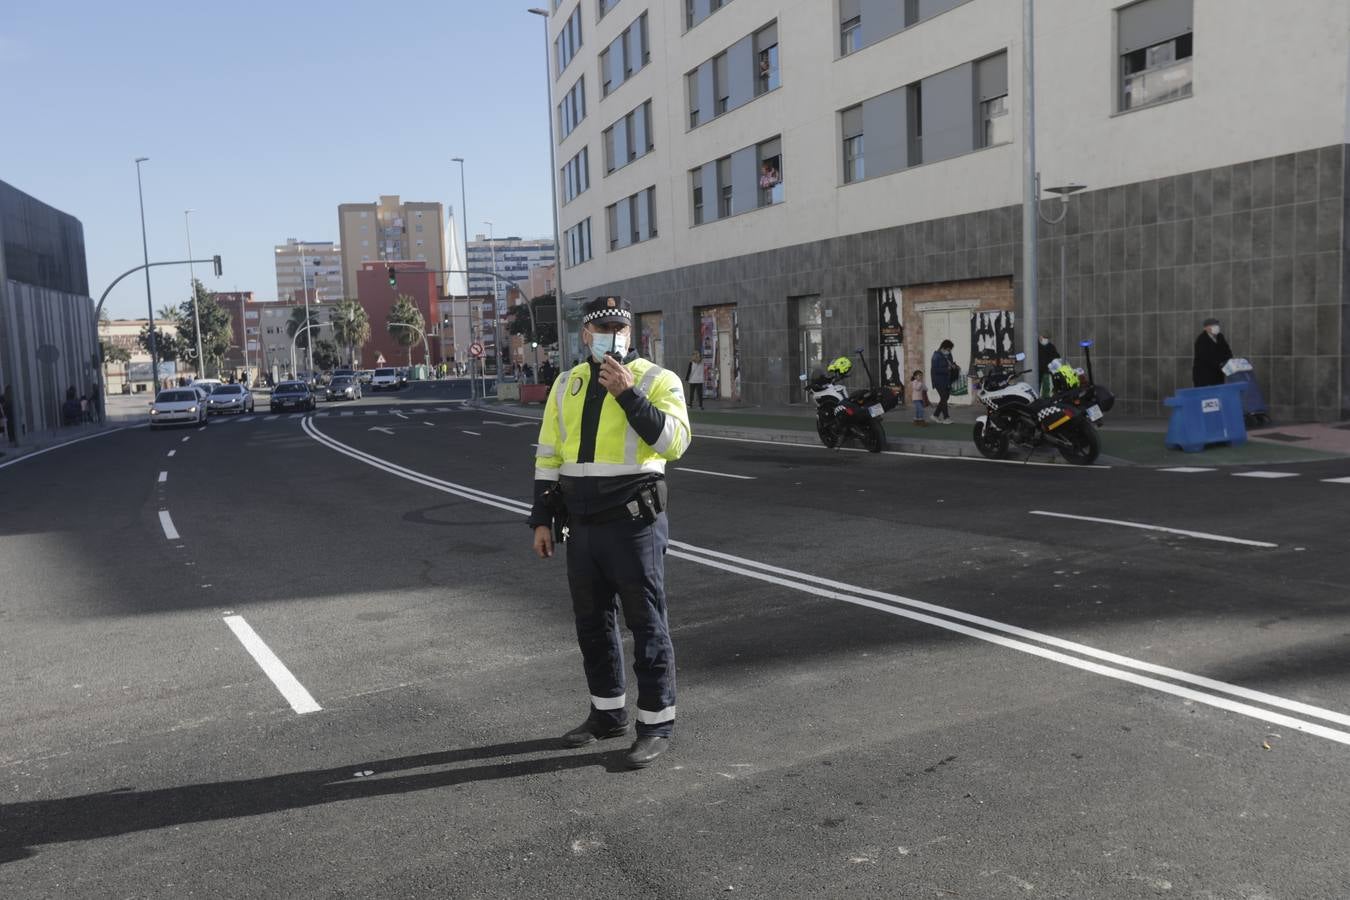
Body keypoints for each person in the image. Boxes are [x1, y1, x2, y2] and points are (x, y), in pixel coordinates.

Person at [529, 296, 692, 770]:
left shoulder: (657, 380)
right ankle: (607, 714)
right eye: (601, 328)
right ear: (585, 334)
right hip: (580, 525)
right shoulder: (566, 383)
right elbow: (548, 455)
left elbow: (674, 443)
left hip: (633, 524)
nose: (610, 335)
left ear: (630, 332)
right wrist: (541, 518)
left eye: (619, 328)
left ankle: (656, 724)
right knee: (592, 625)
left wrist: (627, 393)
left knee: (647, 625)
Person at [1192, 318, 1233, 387]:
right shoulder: (1201, 340)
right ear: (1206, 328)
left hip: (1218, 374)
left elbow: (1227, 351)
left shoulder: (1220, 337)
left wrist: (1228, 361)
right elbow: (1206, 358)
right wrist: (1221, 363)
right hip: (1204, 376)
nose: (1216, 327)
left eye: (1216, 324)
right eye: (1213, 325)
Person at [929, 340, 958, 423]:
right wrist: (947, 369)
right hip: (938, 380)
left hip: (947, 380)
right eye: (948, 349)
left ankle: (935, 415)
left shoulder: (949, 355)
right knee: (944, 398)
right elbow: (935, 370)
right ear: (943, 347)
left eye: (950, 350)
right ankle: (946, 418)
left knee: (945, 398)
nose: (949, 351)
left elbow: (951, 364)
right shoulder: (936, 356)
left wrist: (954, 366)